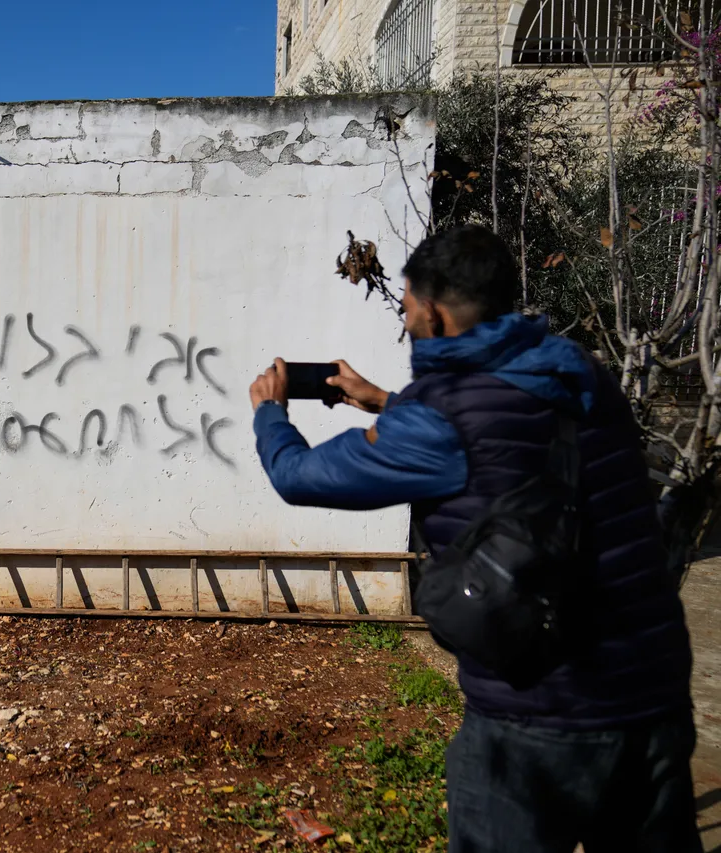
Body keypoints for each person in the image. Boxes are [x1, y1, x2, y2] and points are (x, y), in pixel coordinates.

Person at [249, 224, 698, 853]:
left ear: (432, 313)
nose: (407, 320)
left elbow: (299, 477)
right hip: (652, 697)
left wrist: (270, 411)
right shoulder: (581, 375)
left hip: (538, 715)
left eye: (407, 307)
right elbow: (503, 439)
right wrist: (384, 401)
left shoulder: (440, 415)